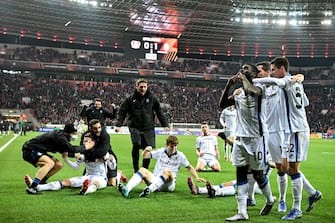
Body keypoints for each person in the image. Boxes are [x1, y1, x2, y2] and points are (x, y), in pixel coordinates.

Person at [253, 57, 322, 220]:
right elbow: (304, 102)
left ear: (281, 69)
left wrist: (249, 79)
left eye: (274, 70)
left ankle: (297, 208)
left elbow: (278, 83)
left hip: (295, 130)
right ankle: (312, 193)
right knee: (287, 168)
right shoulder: (293, 81)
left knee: (292, 169)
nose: (273, 72)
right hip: (289, 130)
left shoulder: (285, 81)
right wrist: (299, 79)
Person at [219, 64, 276, 221]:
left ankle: (270, 199)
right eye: (241, 68)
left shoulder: (260, 88)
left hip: (257, 138)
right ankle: (242, 211)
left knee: (258, 174)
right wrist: (228, 86)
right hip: (240, 138)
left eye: (246, 69)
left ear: (255, 74)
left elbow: (253, 91)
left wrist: (244, 78)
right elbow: (222, 105)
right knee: (240, 173)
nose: (242, 70)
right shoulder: (238, 94)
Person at [118, 135, 206, 198]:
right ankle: (127, 189)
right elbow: (145, 156)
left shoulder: (180, 155)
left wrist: (197, 177)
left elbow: (189, 167)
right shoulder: (160, 152)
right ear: (167, 145)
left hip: (168, 184)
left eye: (175, 146)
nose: (174, 148)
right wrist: (146, 150)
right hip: (155, 180)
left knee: (168, 171)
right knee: (142, 170)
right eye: (172, 146)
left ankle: (149, 190)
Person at [24, 132, 108, 195]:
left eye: (86, 141)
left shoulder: (101, 152)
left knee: (95, 183)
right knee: (65, 182)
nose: (84, 143)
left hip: (101, 178)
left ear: (92, 142)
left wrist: (110, 160)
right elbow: (76, 167)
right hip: (87, 177)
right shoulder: (83, 154)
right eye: (83, 141)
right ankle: (38, 187)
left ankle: (86, 190)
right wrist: (65, 159)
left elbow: (112, 164)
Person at [114, 78, 169, 173]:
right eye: (141, 87)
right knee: (136, 144)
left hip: (148, 127)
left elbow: (159, 112)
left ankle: (144, 170)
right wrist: (118, 124)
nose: (143, 89)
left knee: (148, 148)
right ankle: (136, 169)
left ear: (147, 87)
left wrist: (165, 124)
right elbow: (122, 112)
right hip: (134, 126)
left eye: (145, 87)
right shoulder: (130, 99)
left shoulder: (152, 98)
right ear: (136, 87)